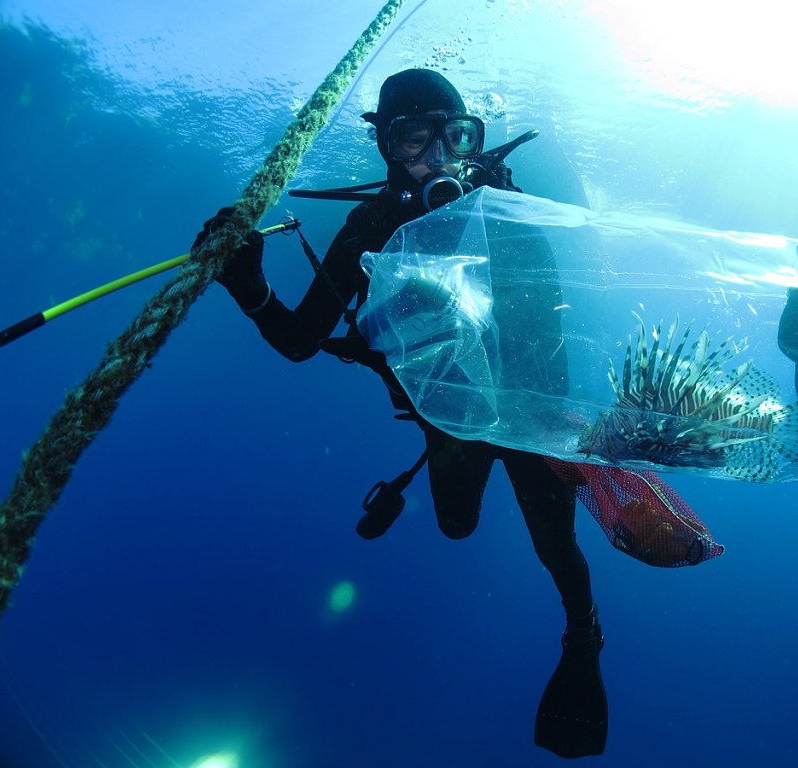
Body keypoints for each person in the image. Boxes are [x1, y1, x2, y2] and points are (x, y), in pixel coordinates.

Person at [194, 68, 607, 758]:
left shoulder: (504, 208)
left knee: (555, 545)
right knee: (454, 525)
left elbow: (553, 327)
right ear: (387, 148)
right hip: (445, 419)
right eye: (414, 139)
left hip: (529, 412)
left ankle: (583, 637)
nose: (437, 158)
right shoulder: (371, 227)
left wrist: (551, 425)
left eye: (455, 135)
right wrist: (249, 285)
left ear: (475, 138)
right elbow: (300, 339)